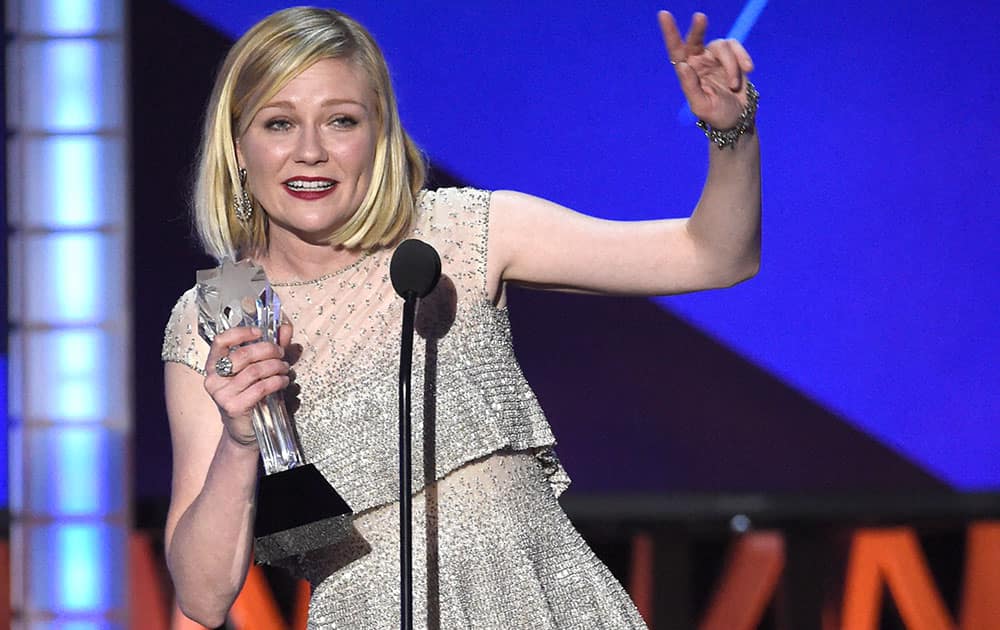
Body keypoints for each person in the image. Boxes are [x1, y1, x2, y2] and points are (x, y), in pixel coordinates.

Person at [161, 6, 760, 629]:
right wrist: (237, 440)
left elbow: (714, 257)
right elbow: (203, 599)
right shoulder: (218, 317)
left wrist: (731, 134)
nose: (310, 152)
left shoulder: (461, 234)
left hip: (545, 604)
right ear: (237, 146)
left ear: (380, 132)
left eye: (341, 121)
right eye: (279, 124)